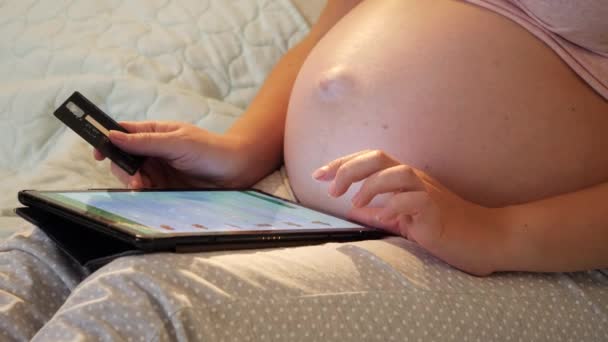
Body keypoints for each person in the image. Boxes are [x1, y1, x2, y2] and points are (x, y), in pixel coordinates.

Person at [2, 0, 607, 340]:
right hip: (295, 192)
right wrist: (243, 152)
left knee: (145, 308)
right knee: (42, 253)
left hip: (516, 250)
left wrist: (491, 233)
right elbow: (338, 23)